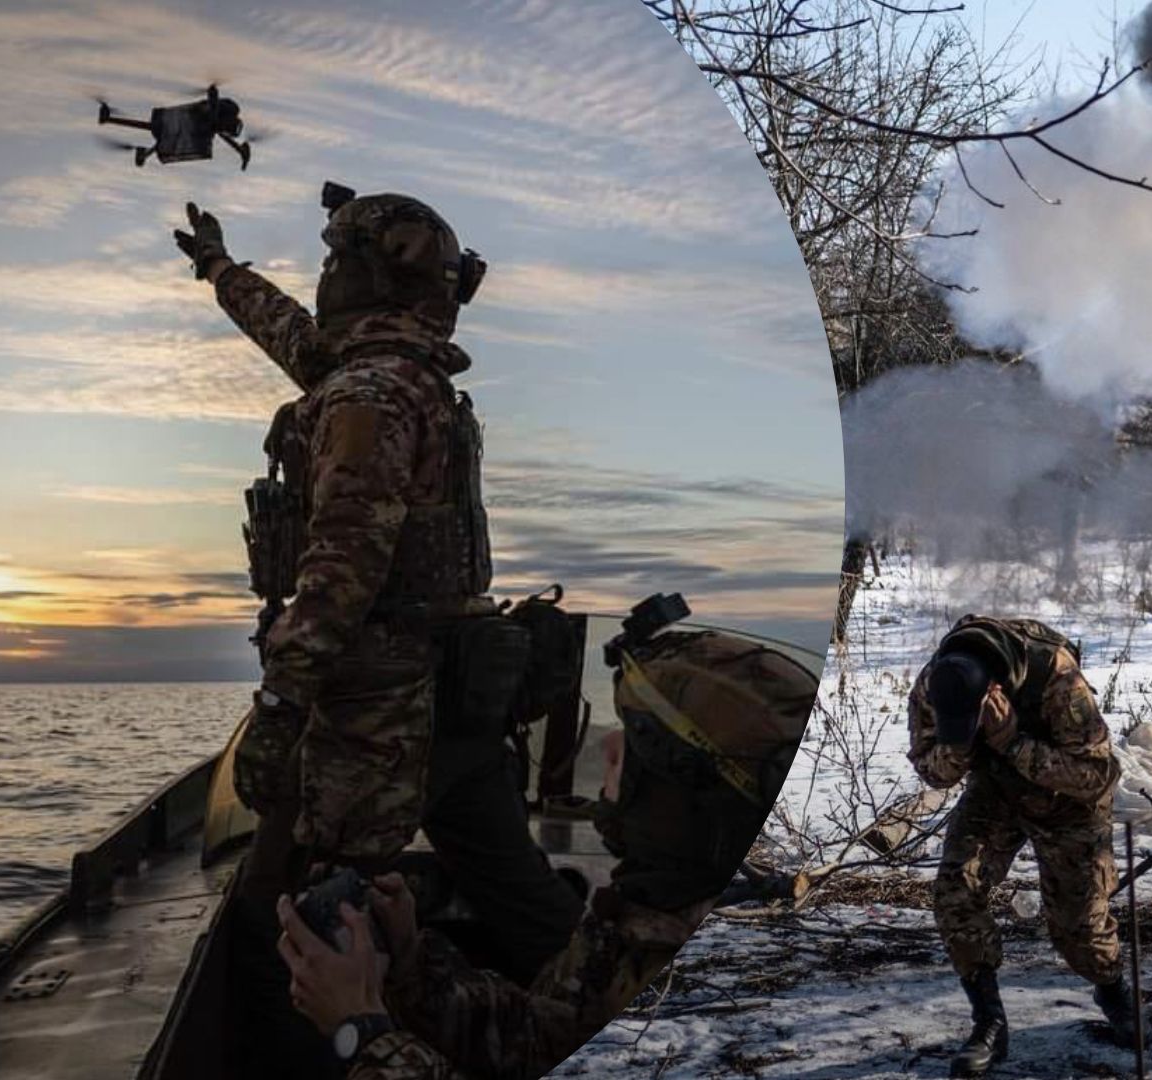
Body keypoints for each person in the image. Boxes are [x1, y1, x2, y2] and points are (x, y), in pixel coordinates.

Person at [175, 189, 581, 1076]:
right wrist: (217, 267)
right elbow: (292, 334)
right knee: (519, 895)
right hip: (458, 696)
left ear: (367, 278)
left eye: (333, 263)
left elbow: (337, 578)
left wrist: (281, 706)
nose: (319, 279)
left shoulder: (368, 395)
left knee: (290, 912)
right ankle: (588, 1016)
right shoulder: (393, 371)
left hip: (376, 711)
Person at [274, 620, 816, 1079]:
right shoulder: (656, 911)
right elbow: (544, 1035)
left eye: (638, 739)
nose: (608, 744)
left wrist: (358, 1028)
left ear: (678, 792)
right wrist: (410, 964)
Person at [907, 615, 1142, 1078]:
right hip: (996, 788)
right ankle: (989, 1022)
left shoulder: (1055, 677)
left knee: (1080, 935)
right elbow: (931, 767)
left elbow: (1095, 775)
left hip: (1070, 800)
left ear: (996, 687)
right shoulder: (936, 684)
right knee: (956, 891)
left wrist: (1012, 741)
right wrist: (961, 748)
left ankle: (1114, 991)